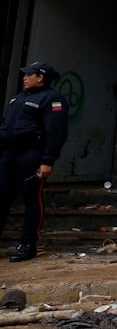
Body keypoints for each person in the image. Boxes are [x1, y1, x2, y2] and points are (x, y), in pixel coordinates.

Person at [0, 61, 69, 263]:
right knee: (2, 195)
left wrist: (47, 160)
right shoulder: (18, 98)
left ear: (40, 77)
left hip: (32, 154)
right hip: (9, 154)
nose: (24, 77)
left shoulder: (52, 100)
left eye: (28, 74)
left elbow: (56, 132)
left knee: (32, 199)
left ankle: (28, 244)